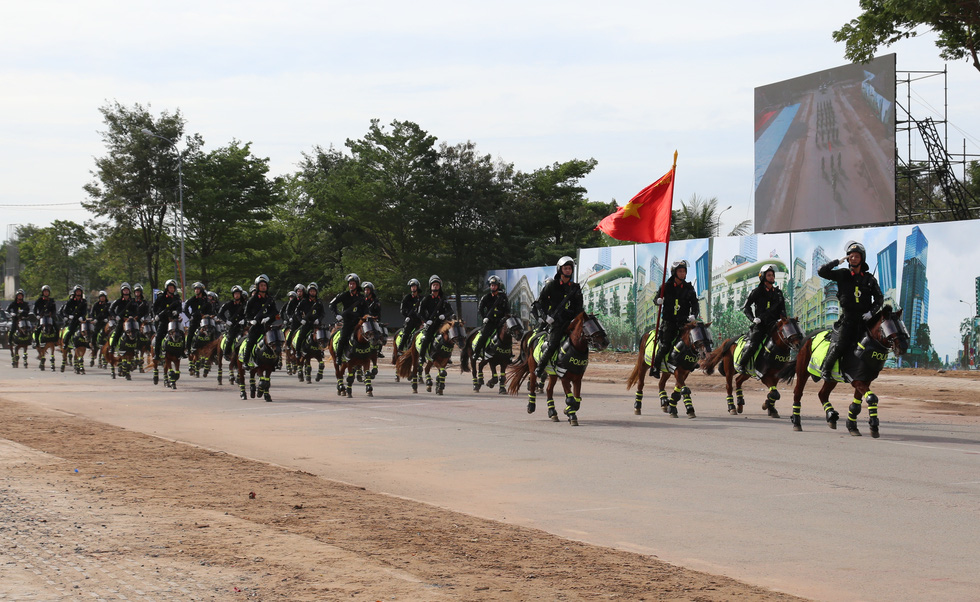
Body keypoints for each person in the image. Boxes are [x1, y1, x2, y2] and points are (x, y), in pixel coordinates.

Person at [816, 241, 883, 380]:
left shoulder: (870, 279)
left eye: (856, 256)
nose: (853, 258)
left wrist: (871, 312)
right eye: (850, 256)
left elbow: (879, 299)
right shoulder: (843, 274)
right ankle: (826, 369)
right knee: (841, 345)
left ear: (862, 259)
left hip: (865, 320)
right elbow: (821, 271)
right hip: (848, 320)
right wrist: (837, 262)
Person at [534, 257, 584, 380]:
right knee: (553, 344)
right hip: (556, 321)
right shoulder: (552, 285)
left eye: (570, 268)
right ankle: (540, 367)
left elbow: (579, 306)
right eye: (565, 268)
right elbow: (540, 302)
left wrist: (577, 319)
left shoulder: (575, 287)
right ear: (560, 270)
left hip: (571, 321)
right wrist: (546, 316)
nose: (568, 270)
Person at [650, 260, 699, 378]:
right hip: (669, 322)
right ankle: (655, 367)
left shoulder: (689, 288)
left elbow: (695, 304)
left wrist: (694, 315)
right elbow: (656, 299)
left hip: (684, 322)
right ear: (674, 272)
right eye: (680, 271)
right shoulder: (666, 287)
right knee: (665, 345)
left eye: (684, 271)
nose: (682, 273)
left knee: (693, 341)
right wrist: (658, 301)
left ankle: (692, 362)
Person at [737, 264, 787, 373]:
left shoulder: (779, 293)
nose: (772, 277)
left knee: (788, 340)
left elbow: (783, 310)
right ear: (763, 277)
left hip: (775, 324)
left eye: (772, 275)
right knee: (754, 345)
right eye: (769, 275)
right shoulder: (757, 291)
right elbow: (746, 307)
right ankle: (742, 364)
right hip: (761, 324)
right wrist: (753, 319)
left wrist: (783, 320)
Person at [329, 274, 368, 361]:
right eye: (350, 283)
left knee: (369, 336)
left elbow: (366, 310)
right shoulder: (344, 295)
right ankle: (339, 357)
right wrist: (336, 315)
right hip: (347, 321)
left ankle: (369, 355)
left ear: (357, 284)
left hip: (359, 322)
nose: (351, 285)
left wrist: (366, 317)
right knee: (343, 338)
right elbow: (332, 304)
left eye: (353, 283)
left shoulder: (362, 297)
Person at [417, 275, 456, 362]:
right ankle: (421, 357)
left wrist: (444, 315)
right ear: (430, 286)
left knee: (449, 337)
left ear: (440, 286)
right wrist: (426, 321)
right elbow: (420, 313)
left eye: (437, 285)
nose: (435, 286)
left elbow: (450, 311)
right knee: (427, 338)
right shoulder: (426, 298)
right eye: (433, 285)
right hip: (431, 323)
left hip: (442, 323)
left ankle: (448, 356)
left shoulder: (443, 299)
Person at [242, 274, 278, 365]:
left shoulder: (270, 299)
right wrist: (251, 320)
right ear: (258, 287)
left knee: (276, 342)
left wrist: (269, 317)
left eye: (265, 285)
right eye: (261, 285)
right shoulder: (252, 299)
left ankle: (277, 361)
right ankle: (246, 361)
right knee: (250, 342)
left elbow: (275, 312)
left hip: (267, 327)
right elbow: (246, 313)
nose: (263, 287)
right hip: (256, 326)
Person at [474, 275, 508, 359]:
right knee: (484, 335)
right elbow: (480, 309)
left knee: (508, 336)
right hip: (490, 321)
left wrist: (505, 318)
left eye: (495, 285)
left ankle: (509, 354)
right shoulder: (486, 297)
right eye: (492, 285)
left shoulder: (503, 297)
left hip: (501, 321)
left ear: (498, 286)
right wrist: (484, 317)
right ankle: (477, 352)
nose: (493, 287)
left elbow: (507, 309)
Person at [153, 279, 182, 359]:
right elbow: (154, 307)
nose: (171, 289)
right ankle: (157, 354)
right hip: (164, 320)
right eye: (170, 287)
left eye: (173, 288)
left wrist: (177, 311)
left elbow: (180, 308)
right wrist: (156, 315)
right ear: (167, 288)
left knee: (181, 334)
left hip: (174, 321)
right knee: (158, 336)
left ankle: (182, 352)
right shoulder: (161, 297)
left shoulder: (176, 298)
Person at [217, 285, 247, 356]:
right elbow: (220, 314)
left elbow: (250, 314)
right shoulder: (229, 304)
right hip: (232, 325)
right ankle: (226, 353)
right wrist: (226, 321)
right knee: (231, 338)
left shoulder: (245, 304)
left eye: (238, 293)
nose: (236, 295)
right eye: (235, 294)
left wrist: (245, 320)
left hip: (243, 325)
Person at [294, 282, 325, 350]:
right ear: (308, 292)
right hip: (307, 323)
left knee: (323, 336)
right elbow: (297, 311)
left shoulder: (319, 302)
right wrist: (301, 320)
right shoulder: (304, 301)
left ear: (316, 292)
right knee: (301, 336)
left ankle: (321, 350)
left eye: (314, 291)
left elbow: (323, 313)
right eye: (311, 291)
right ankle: (298, 351)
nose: (312, 292)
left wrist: (319, 319)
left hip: (316, 324)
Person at [183, 282, 210, 354]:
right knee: (190, 333)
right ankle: (188, 349)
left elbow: (210, 310)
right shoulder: (192, 299)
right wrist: (190, 316)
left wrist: (207, 315)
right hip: (194, 320)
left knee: (210, 332)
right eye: (195, 289)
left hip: (204, 321)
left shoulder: (206, 300)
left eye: (198, 289)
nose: (196, 290)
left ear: (201, 290)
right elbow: (185, 308)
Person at [109, 283, 138, 350]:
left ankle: (137, 348)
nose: (126, 291)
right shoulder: (118, 301)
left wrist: (133, 317)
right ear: (122, 291)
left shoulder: (133, 301)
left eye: (127, 290)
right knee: (117, 332)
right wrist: (115, 316)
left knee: (137, 332)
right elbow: (111, 309)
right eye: (124, 290)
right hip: (122, 320)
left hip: (131, 321)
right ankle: (113, 347)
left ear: (129, 291)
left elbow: (136, 311)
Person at [398, 278, 423, 352]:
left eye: (414, 286)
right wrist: (406, 316)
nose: (413, 288)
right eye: (411, 286)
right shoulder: (407, 297)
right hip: (410, 319)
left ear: (417, 287)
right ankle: (400, 349)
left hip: (419, 320)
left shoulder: (422, 298)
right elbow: (402, 309)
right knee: (406, 333)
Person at [362, 281, 383, 357]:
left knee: (380, 332)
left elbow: (378, 313)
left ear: (371, 291)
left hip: (373, 320)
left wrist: (375, 318)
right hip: (363, 320)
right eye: (365, 290)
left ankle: (378, 350)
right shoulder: (362, 300)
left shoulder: (376, 301)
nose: (366, 291)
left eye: (368, 290)